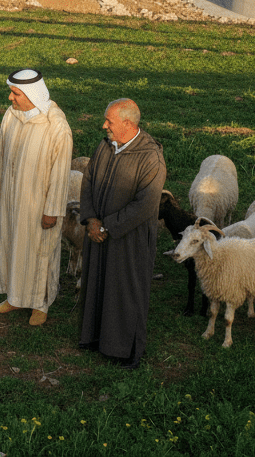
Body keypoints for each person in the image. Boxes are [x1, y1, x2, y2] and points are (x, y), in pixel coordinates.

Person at [78, 98, 166, 371]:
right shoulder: (105, 146)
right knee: (97, 281)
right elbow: (88, 180)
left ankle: (126, 350)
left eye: (109, 121)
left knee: (126, 290)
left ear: (127, 124)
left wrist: (108, 226)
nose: (104, 126)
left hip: (129, 239)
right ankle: (94, 337)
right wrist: (91, 219)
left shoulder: (150, 157)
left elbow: (145, 204)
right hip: (98, 230)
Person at [0, 69, 72, 327]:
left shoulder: (56, 126)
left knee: (39, 252)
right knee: (13, 245)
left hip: (39, 206)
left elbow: (61, 173)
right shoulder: (12, 115)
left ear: (33, 94)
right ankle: (15, 297)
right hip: (12, 199)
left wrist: (52, 210)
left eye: (16, 93)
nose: (10, 98)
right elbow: (0, 153)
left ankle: (39, 304)